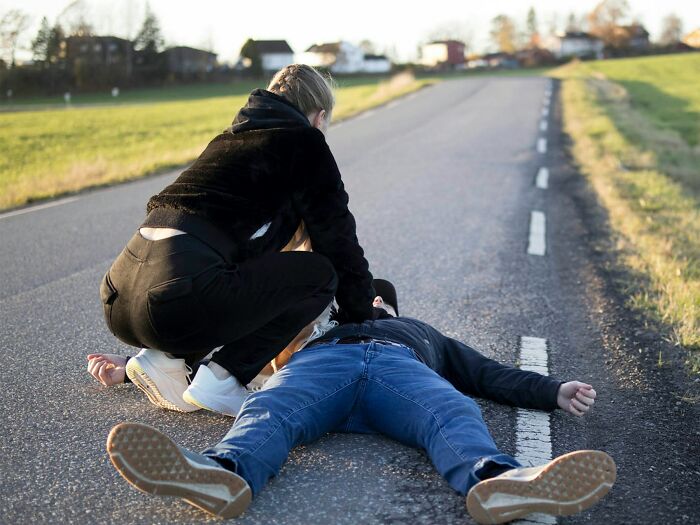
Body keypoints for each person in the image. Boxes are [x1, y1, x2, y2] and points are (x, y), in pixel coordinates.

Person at [105, 281, 616, 524]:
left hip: (399, 373)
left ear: (392, 305)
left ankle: (496, 481)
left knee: (454, 409)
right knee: (269, 407)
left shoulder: (420, 332)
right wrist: (130, 374)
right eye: (361, 296)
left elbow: (485, 374)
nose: (370, 301)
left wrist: (552, 390)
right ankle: (224, 472)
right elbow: (231, 353)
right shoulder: (315, 331)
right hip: (323, 368)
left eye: (378, 297)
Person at [96, 64, 376, 417]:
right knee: (320, 274)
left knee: (234, 272)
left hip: (118, 297)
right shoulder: (305, 142)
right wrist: (361, 317)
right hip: (175, 300)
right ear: (319, 117)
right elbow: (339, 243)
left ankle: (163, 358)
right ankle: (224, 377)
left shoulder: (226, 141)